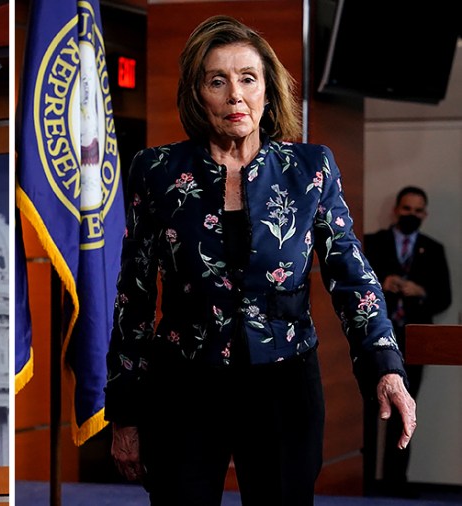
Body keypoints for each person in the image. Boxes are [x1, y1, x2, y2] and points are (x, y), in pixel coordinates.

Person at [104, 15, 416, 505]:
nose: (235, 95)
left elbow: (353, 277)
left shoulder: (311, 169)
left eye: (248, 79)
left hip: (283, 385)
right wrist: (124, 411)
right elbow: (134, 297)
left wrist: (386, 369)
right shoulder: (156, 171)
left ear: (268, 92)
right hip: (184, 385)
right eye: (217, 81)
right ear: (196, 94)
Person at [362, 186, 451, 497]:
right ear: (396, 209)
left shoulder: (433, 249)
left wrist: (421, 291)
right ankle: (364, 482)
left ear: (424, 214)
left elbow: (444, 298)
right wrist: (383, 283)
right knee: (369, 408)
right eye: (406, 209)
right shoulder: (372, 243)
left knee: (404, 410)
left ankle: (395, 485)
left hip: (414, 341)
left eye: (417, 211)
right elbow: (355, 286)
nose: (411, 215)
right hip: (374, 339)